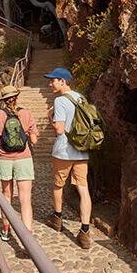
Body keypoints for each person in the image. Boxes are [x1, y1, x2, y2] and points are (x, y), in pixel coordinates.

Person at [44, 67, 92, 249]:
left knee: (58, 185)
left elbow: (59, 129)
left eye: (53, 80)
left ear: (62, 81)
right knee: (83, 188)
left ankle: (57, 218)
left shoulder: (61, 101)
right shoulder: (81, 98)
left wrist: (50, 116)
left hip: (64, 151)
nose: (50, 84)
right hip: (81, 151)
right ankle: (85, 232)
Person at [0, 85, 38, 241]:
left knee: (6, 196)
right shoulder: (27, 114)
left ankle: (6, 230)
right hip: (24, 159)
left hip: (4, 159)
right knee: (25, 199)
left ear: (3, 100)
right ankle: (27, 236)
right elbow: (34, 141)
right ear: (17, 97)